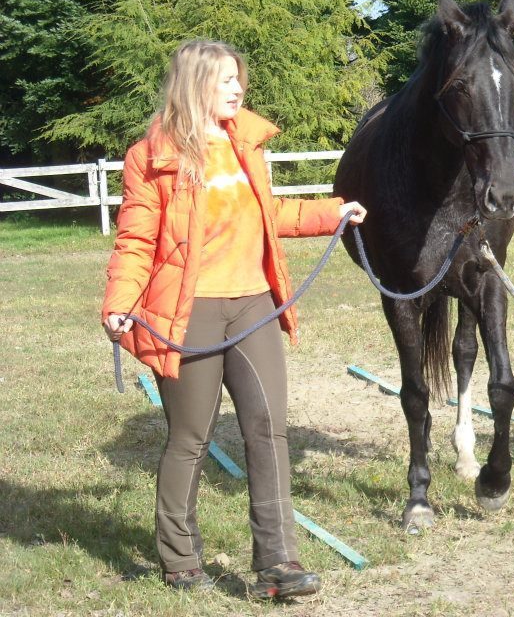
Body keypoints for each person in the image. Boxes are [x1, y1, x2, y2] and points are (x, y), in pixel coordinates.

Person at [102, 39, 366, 596]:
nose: (237, 88)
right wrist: (120, 304)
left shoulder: (246, 145)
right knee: (191, 438)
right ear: (195, 85)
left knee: (268, 431)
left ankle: (278, 563)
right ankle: (180, 560)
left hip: (253, 305)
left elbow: (267, 214)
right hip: (189, 311)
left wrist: (332, 212)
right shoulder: (152, 156)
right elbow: (135, 240)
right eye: (225, 80)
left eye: (238, 79)